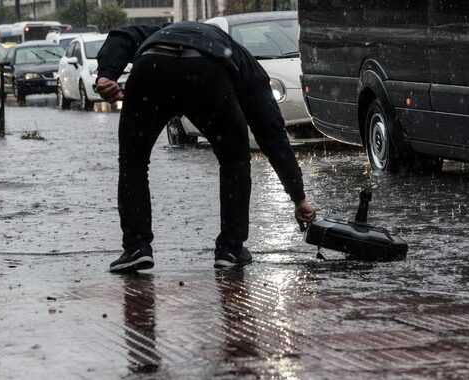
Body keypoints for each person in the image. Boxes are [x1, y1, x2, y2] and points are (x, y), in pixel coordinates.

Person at [95, 21, 316, 272]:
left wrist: (106, 74)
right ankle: (230, 249)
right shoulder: (239, 55)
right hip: (206, 71)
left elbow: (121, 35)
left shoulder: (158, 32)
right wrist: (298, 198)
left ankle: (136, 247)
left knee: (132, 162)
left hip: (152, 67)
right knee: (235, 160)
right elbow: (270, 131)